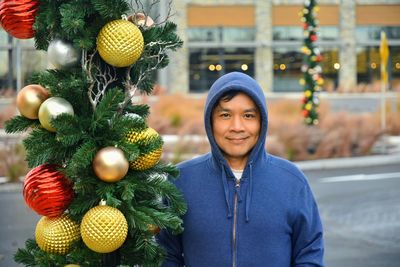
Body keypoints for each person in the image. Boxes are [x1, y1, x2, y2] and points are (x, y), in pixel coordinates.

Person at [157, 72, 325, 266]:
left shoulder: (292, 181)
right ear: (210, 121)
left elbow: (309, 253)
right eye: (225, 115)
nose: (237, 127)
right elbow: (166, 255)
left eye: (248, 115)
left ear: (261, 121)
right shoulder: (182, 180)